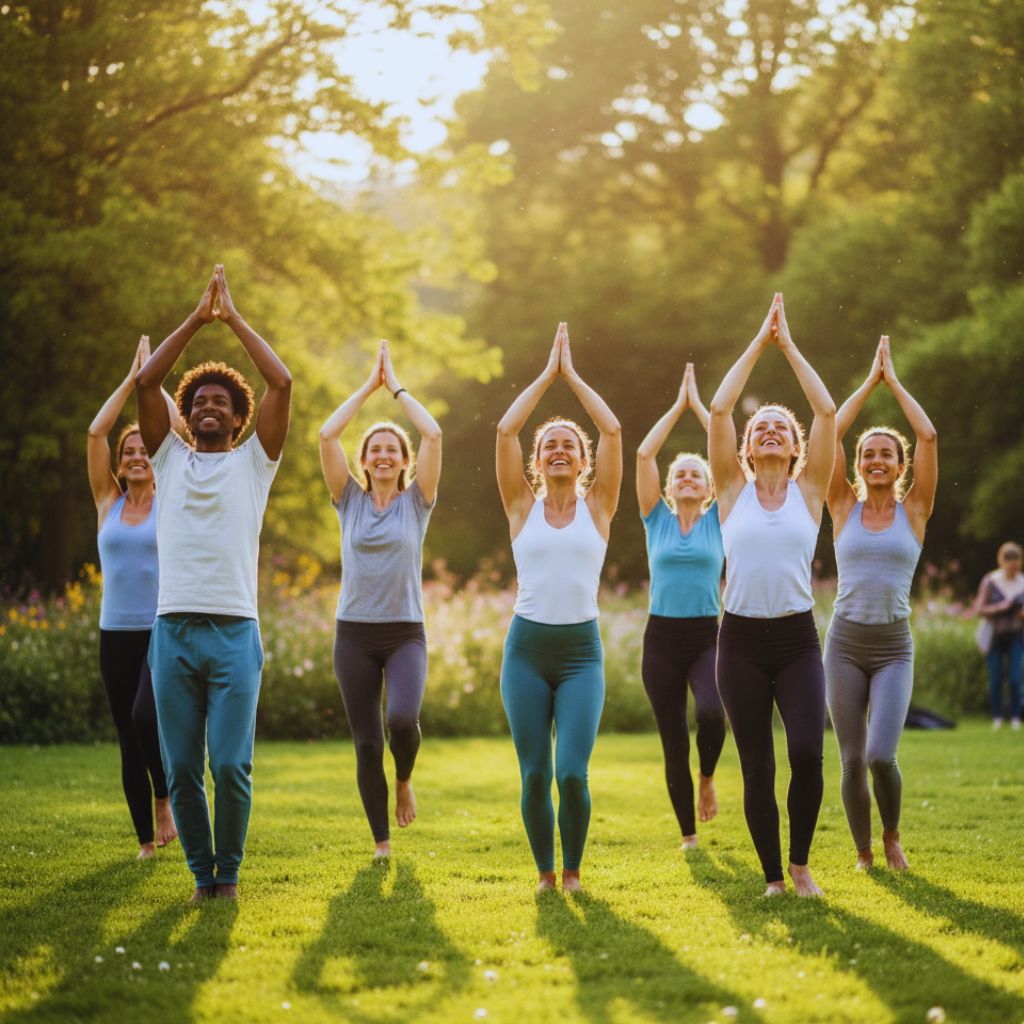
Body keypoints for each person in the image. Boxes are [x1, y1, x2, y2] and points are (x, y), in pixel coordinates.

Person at [135, 265, 291, 903]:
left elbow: (281, 380)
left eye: (217, 402)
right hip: (172, 631)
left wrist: (233, 318)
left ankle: (229, 872)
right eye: (196, 400)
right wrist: (197, 319)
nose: (204, 406)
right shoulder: (167, 459)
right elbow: (146, 382)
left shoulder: (256, 464)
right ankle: (206, 879)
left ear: (236, 416)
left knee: (230, 764)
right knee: (181, 770)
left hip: (233, 634)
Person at [708, 293, 836, 897]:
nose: (769, 431)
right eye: (761, 427)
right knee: (756, 765)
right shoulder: (729, 491)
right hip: (738, 643)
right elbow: (719, 408)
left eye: (781, 428)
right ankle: (771, 879)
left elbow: (828, 411)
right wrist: (759, 343)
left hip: (796, 639)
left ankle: (801, 862)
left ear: (794, 446)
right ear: (748, 446)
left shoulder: (810, 492)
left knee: (807, 752)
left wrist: (789, 347)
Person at [496, 322, 622, 893]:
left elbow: (614, 429)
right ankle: (546, 874)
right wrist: (547, 377)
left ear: (583, 459)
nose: (559, 451)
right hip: (526, 652)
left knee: (571, 773)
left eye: (569, 444)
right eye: (550, 445)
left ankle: (573, 871)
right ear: (537, 461)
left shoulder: (599, 507)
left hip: (579, 655)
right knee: (534, 773)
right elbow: (505, 430)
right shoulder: (521, 506)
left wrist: (573, 377)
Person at [319, 340, 442, 859]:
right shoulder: (347, 500)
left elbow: (434, 432)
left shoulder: (418, 503)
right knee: (367, 742)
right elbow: (327, 434)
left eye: (394, 449)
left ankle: (405, 778)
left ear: (405, 461)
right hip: (355, 636)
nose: (385, 455)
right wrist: (366, 389)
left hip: (404, 634)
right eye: (376, 449)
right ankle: (382, 843)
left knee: (400, 723)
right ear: (365, 462)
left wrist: (395, 389)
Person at [825, 335, 938, 871]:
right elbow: (830, 431)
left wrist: (892, 383)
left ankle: (892, 835)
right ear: (857, 463)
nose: (875, 460)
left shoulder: (914, 509)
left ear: (899, 465)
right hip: (844, 644)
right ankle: (865, 854)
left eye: (885, 455)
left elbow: (928, 434)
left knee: (879, 755)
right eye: (867, 454)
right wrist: (866, 384)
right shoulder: (841, 504)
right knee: (849, 761)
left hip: (893, 646)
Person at [87, 334, 185, 859]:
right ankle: (145, 841)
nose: (137, 455)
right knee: (127, 732)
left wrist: (154, 382)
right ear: (120, 464)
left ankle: (165, 798)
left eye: (145, 449)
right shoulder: (107, 501)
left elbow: (178, 431)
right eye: (130, 452)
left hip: (158, 628)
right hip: (113, 633)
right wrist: (130, 378)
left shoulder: (170, 496)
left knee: (147, 717)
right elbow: (96, 430)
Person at [636, 362, 726, 850]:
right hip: (662, 639)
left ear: (709, 489)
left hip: (707, 636)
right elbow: (645, 453)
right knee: (673, 739)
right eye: (681, 475)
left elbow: (729, 457)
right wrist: (679, 406)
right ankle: (689, 836)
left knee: (712, 713)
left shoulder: (719, 521)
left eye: (697, 474)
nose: (688, 478)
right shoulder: (656, 519)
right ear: (669, 488)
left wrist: (705, 412)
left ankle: (707, 775)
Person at [973, 542, 1024, 730]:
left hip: (1017, 635)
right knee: (995, 679)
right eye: (1009, 564)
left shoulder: (1022, 582)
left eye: (1016, 565)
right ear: (1002, 562)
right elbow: (979, 609)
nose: (1012, 569)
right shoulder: (991, 581)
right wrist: (1001, 607)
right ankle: (997, 717)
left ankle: (1016, 718)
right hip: (994, 635)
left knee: (1015, 678)